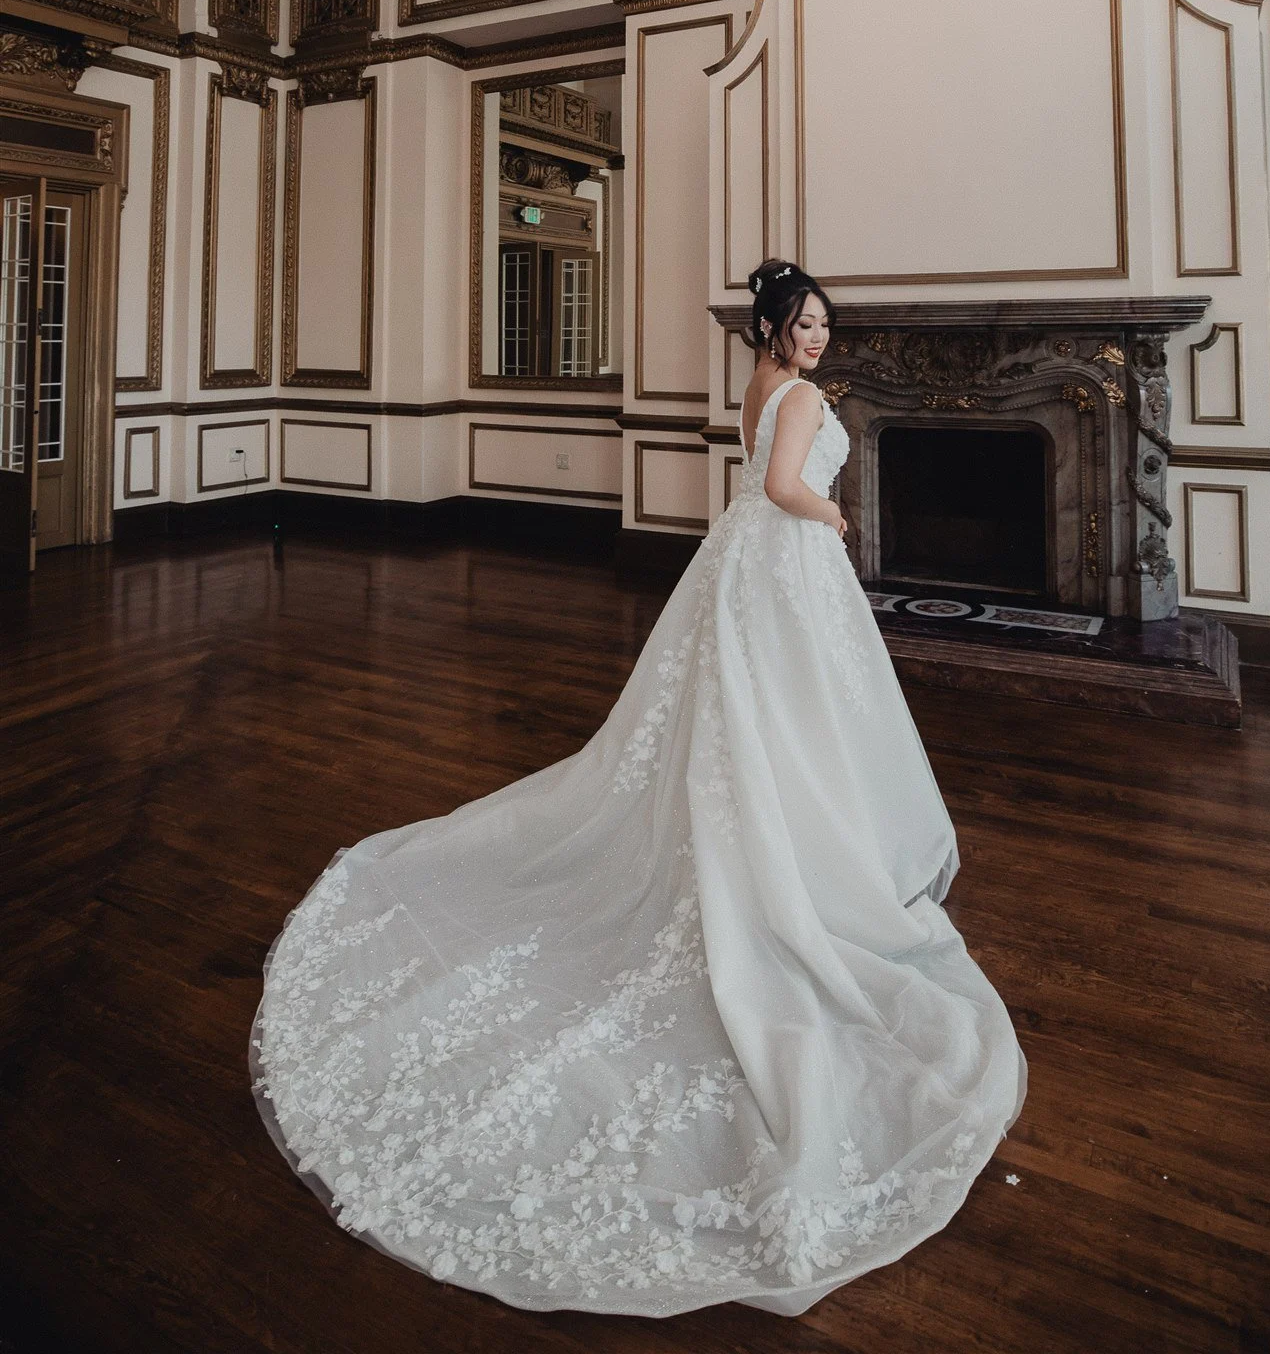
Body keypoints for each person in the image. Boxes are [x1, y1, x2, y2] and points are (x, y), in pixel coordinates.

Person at [251, 258, 1027, 1317]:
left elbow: (755, 475)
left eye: (823, 325)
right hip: (786, 555)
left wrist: (797, 502)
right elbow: (793, 486)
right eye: (804, 324)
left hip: (745, 557)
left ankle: (780, 829)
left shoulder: (756, 387)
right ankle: (803, 857)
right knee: (790, 720)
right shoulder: (800, 398)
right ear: (775, 327)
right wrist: (836, 522)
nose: (816, 338)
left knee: (748, 720)